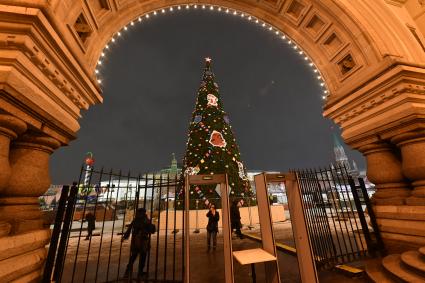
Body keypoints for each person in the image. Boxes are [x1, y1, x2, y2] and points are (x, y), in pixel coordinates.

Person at [122, 208, 156, 279]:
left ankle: (127, 272)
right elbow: (151, 230)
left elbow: (129, 229)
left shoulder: (135, 220)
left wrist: (125, 236)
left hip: (135, 241)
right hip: (143, 241)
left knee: (133, 257)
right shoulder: (145, 219)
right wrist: (153, 227)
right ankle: (140, 272)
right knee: (142, 257)